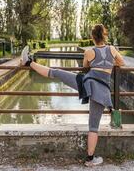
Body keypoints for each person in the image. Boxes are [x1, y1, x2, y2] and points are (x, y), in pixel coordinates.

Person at [20, 24, 125, 166]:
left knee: (56, 72)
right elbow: (121, 62)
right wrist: (110, 63)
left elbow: (85, 66)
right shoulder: (112, 49)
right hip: (101, 92)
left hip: (86, 84)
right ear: (105, 35)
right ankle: (90, 159)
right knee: (93, 127)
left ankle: (28, 62)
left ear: (92, 37)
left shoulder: (89, 52)